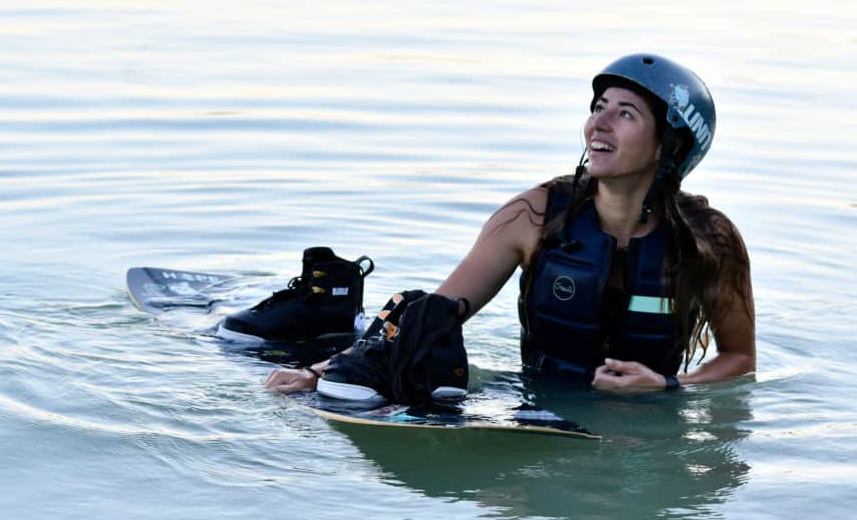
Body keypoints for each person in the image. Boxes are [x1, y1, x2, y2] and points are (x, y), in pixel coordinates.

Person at [265, 53, 755, 397]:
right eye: (598, 108)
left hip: (647, 423)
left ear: (670, 146)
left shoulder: (709, 240)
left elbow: (738, 359)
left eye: (625, 114)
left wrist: (670, 387)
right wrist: (319, 372)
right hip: (536, 400)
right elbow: (436, 314)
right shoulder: (536, 215)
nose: (598, 125)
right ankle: (311, 322)